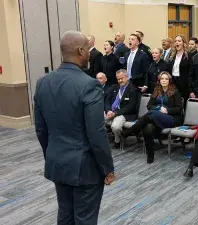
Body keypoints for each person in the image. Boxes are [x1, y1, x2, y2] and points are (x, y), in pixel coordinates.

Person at [34, 31, 115, 225]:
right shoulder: (89, 85)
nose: (89, 54)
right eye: (87, 49)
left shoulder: (42, 83)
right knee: (85, 219)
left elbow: (40, 129)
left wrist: (52, 154)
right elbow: (96, 133)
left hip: (57, 162)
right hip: (85, 168)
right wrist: (107, 168)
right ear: (80, 50)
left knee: (65, 216)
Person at [121, 72, 183, 163]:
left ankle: (131, 130)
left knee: (152, 113)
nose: (164, 80)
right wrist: (158, 108)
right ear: (159, 80)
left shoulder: (175, 92)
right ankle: (150, 154)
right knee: (148, 128)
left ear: (169, 81)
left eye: (166, 79)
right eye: (162, 79)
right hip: (156, 117)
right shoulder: (156, 90)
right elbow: (149, 105)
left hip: (171, 118)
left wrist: (167, 110)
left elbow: (179, 109)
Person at [105, 69, 140, 149]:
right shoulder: (114, 87)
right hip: (112, 111)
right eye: (118, 79)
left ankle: (118, 140)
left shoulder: (133, 90)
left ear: (127, 77)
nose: (120, 80)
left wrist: (115, 114)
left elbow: (130, 107)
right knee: (95, 117)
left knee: (116, 126)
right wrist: (108, 110)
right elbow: (107, 100)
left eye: (122, 78)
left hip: (125, 113)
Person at [169, 35, 191, 105]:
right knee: (173, 101)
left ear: (184, 43)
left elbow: (190, 72)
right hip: (173, 82)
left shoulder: (189, 55)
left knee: (183, 102)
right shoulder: (172, 55)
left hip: (184, 83)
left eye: (179, 41)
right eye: (175, 41)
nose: (177, 43)